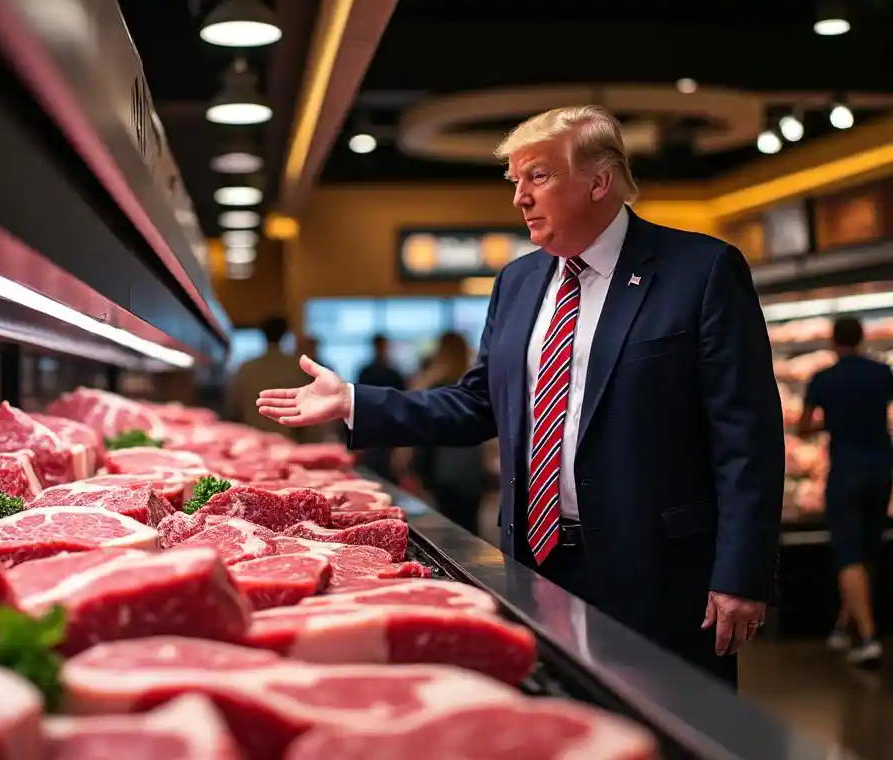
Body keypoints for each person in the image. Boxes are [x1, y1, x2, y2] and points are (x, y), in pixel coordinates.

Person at [257, 105, 785, 686]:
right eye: (515, 181)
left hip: (661, 573)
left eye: (538, 177)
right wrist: (355, 401)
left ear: (599, 181)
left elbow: (747, 438)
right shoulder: (518, 281)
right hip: (537, 565)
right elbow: (476, 403)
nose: (519, 199)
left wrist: (742, 572)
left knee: (675, 734)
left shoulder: (700, 270)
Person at [798, 315, 893, 667]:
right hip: (881, 470)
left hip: (845, 471)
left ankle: (869, 638)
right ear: (862, 338)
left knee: (849, 554)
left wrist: (833, 419)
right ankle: (842, 627)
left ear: (833, 342)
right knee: (869, 550)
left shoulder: (823, 379)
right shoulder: (882, 372)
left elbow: (806, 427)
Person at [409, 332, 487, 534]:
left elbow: (422, 428)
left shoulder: (433, 384)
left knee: (446, 528)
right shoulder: (472, 382)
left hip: (442, 464)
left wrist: (416, 467)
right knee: (470, 527)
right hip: (471, 466)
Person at [225, 316, 327, 442]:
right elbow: (309, 410)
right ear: (286, 335)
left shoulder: (246, 367)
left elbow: (234, 407)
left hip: (251, 443)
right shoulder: (297, 367)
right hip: (288, 442)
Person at [355, 335, 407, 482]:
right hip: (381, 428)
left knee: (383, 469)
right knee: (374, 469)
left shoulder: (370, 372)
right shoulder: (370, 372)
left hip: (384, 428)